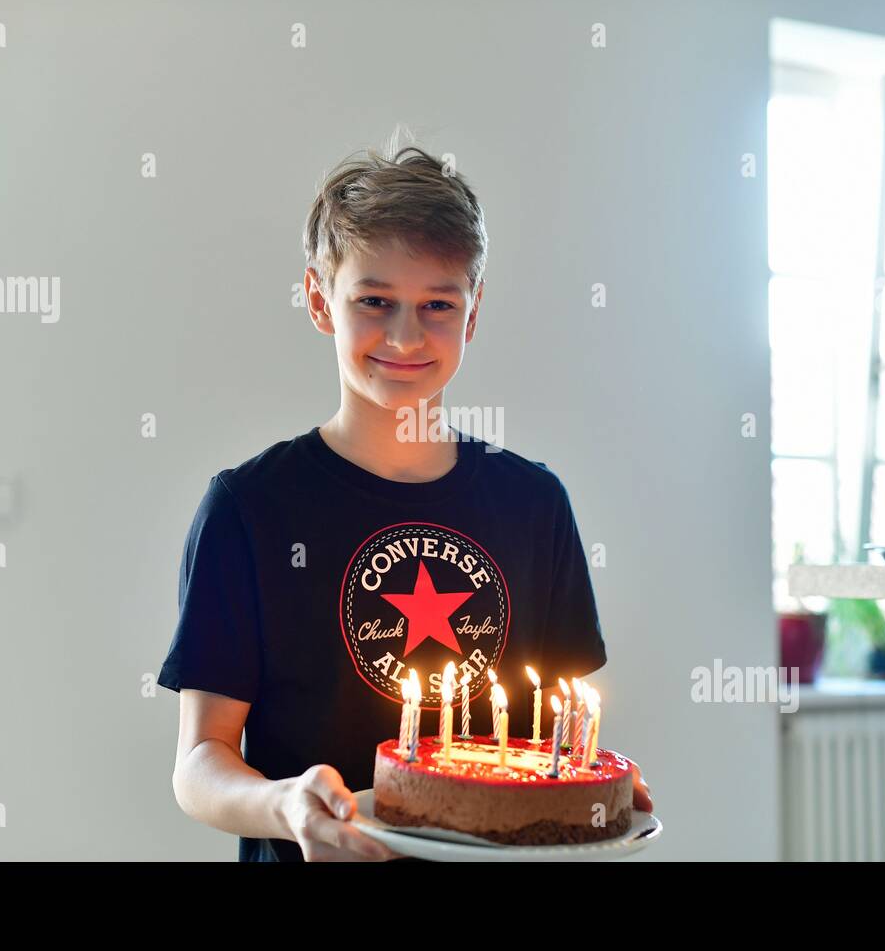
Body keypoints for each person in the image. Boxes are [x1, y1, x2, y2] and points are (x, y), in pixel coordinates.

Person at [159, 143, 653, 862]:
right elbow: (199, 763)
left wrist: (596, 793)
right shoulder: (250, 508)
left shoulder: (533, 503)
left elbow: (558, 741)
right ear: (319, 298)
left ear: (473, 314)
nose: (405, 335)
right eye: (375, 301)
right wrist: (284, 803)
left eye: (437, 305)